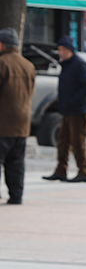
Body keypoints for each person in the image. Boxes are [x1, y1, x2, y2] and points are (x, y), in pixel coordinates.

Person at [43, 35, 86, 183]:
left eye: (64, 49)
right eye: (59, 49)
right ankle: (61, 170)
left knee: (78, 142)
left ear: (70, 50)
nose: (61, 52)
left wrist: (73, 100)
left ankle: (83, 172)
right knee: (62, 141)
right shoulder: (65, 64)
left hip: (79, 110)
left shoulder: (79, 64)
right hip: (67, 109)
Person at [0, 28, 35, 205]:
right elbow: (31, 91)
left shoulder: (2, 63)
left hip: (3, 123)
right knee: (16, 162)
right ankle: (16, 196)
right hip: (22, 123)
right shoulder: (28, 65)